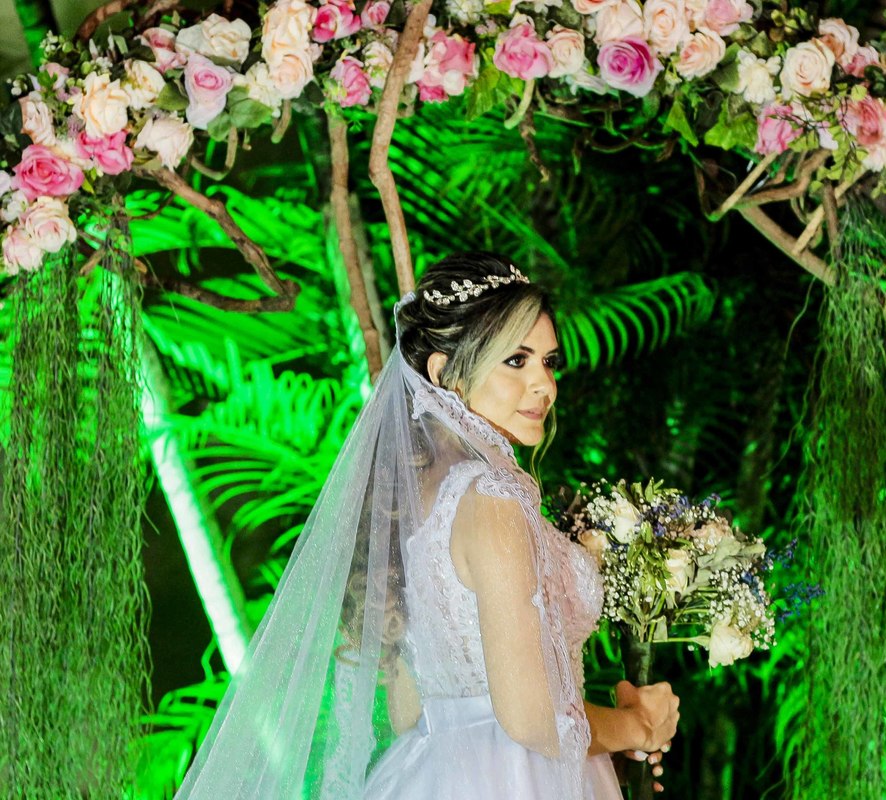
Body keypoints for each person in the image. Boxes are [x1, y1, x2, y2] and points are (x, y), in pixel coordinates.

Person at [173, 253, 679, 799]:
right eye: (516, 360)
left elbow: (406, 707)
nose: (544, 385)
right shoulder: (493, 497)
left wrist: (595, 742)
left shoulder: (418, 496)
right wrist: (639, 725)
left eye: (548, 362)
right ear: (442, 374)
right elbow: (533, 720)